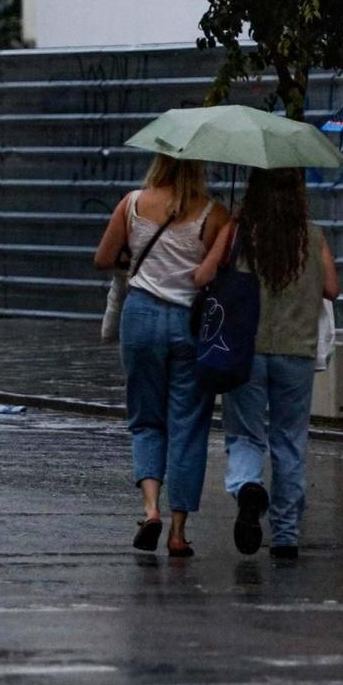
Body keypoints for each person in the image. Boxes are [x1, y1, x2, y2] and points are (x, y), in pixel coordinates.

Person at [196, 168, 339, 559]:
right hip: (297, 351)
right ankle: (286, 536)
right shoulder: (312, 233)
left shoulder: (240, 231)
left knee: (245, 435)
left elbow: (203, 276)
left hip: (247, 351)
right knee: (289, 441)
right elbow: (332, 288)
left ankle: (247, 488)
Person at [93, 155, 230, 557]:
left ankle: (150, 510)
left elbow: (103, 259)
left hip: (140, 317)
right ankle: (178, 531)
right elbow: (222, 270)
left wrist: (137, 259)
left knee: (146, 419)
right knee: (188, 424)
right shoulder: (214, 213)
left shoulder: (133, 203)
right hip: (190, 323)